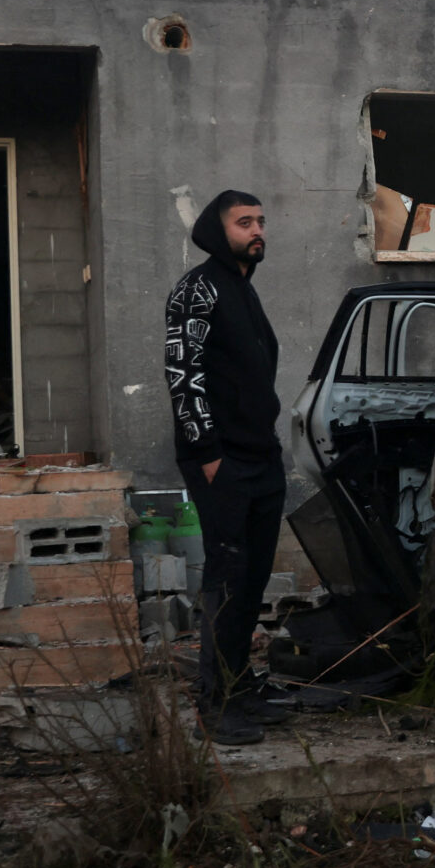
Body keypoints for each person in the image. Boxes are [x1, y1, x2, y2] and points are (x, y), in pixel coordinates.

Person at [165, 190, 286, 743]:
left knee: (253, 579)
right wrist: (208, 454)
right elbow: (183, 375)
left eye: (260, 221)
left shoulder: (243, 290)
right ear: (219, 231)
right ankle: (212, 704)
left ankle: (239, 688)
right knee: (228, 581)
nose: (256, 230)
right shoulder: (198, 290)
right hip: (224, 463)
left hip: (261, 458)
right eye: (244, 222)